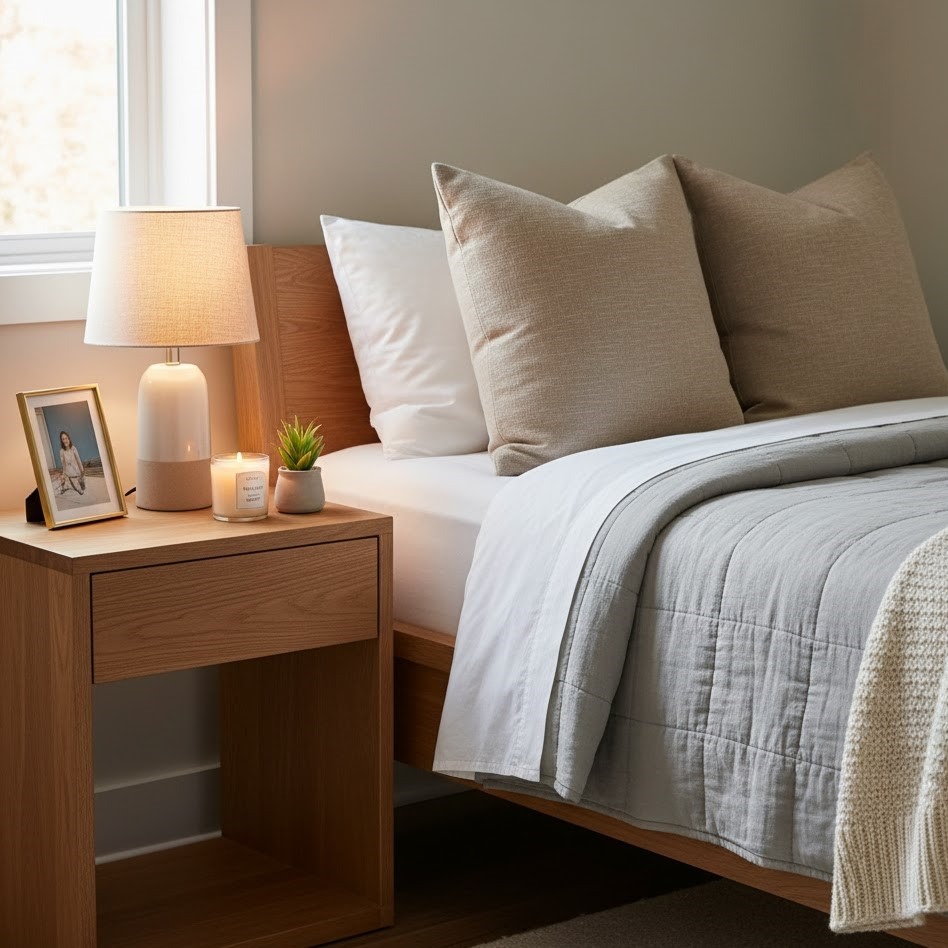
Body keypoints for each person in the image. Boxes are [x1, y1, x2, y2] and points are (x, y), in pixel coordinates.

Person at [57, 430, 86, 495]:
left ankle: (78, 484)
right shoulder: (61, 451)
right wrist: (63, 475)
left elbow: (78, 461)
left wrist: (82, 472)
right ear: (62, 441)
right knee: (62, 479)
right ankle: (66, 486)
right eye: (63, 439)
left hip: (76, 473)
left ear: (69, 438)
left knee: (81, 490)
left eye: (66, 438)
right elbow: (63, 465)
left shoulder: (73, 448)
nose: (65, 440)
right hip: (68, 474)